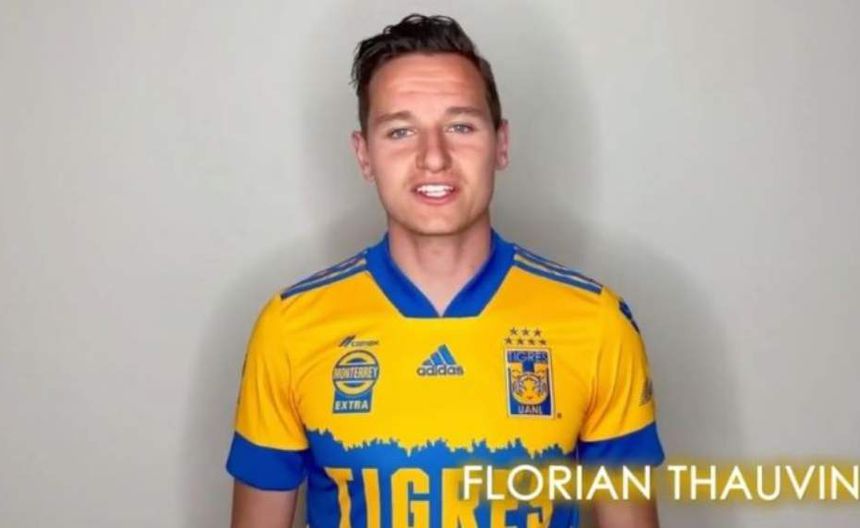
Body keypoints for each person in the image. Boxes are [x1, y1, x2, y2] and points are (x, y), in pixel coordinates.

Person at [226, 13, 664, 528]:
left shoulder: (597, 324)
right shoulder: (289, 328)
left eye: (460, 127)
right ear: (364, 155)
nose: (433, 157)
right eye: (400, 131)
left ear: (501, 143)